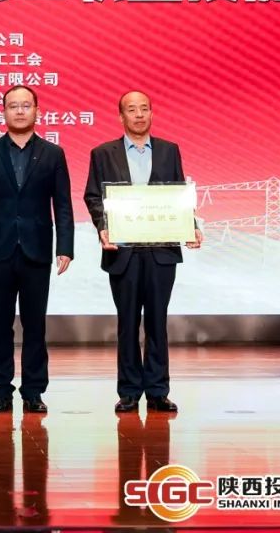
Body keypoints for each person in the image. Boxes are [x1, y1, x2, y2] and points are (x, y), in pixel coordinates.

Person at [83, 90, 202, 414]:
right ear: (120, 116)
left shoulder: (169, 150)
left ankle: (158, 391)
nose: (139, 115)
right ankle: (129, 391)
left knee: (157, 322)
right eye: (132, 110)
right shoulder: (103, 153)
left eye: (144, 109)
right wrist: (103, 226)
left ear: (152, 113)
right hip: (123, 251)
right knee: (127, 322)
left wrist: (190, 225)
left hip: (161, 251)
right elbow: (93, 196)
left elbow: (177, 195)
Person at [0, 85, 74, 415]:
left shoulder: (53, 154)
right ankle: (1, 390)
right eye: (13, 106)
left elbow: (63, 205)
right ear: (4, 112)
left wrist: (66, 247)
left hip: (37, 250)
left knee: (35, 325)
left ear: (36, 111)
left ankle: (33, 391)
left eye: (25, 105)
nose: (19, 111)